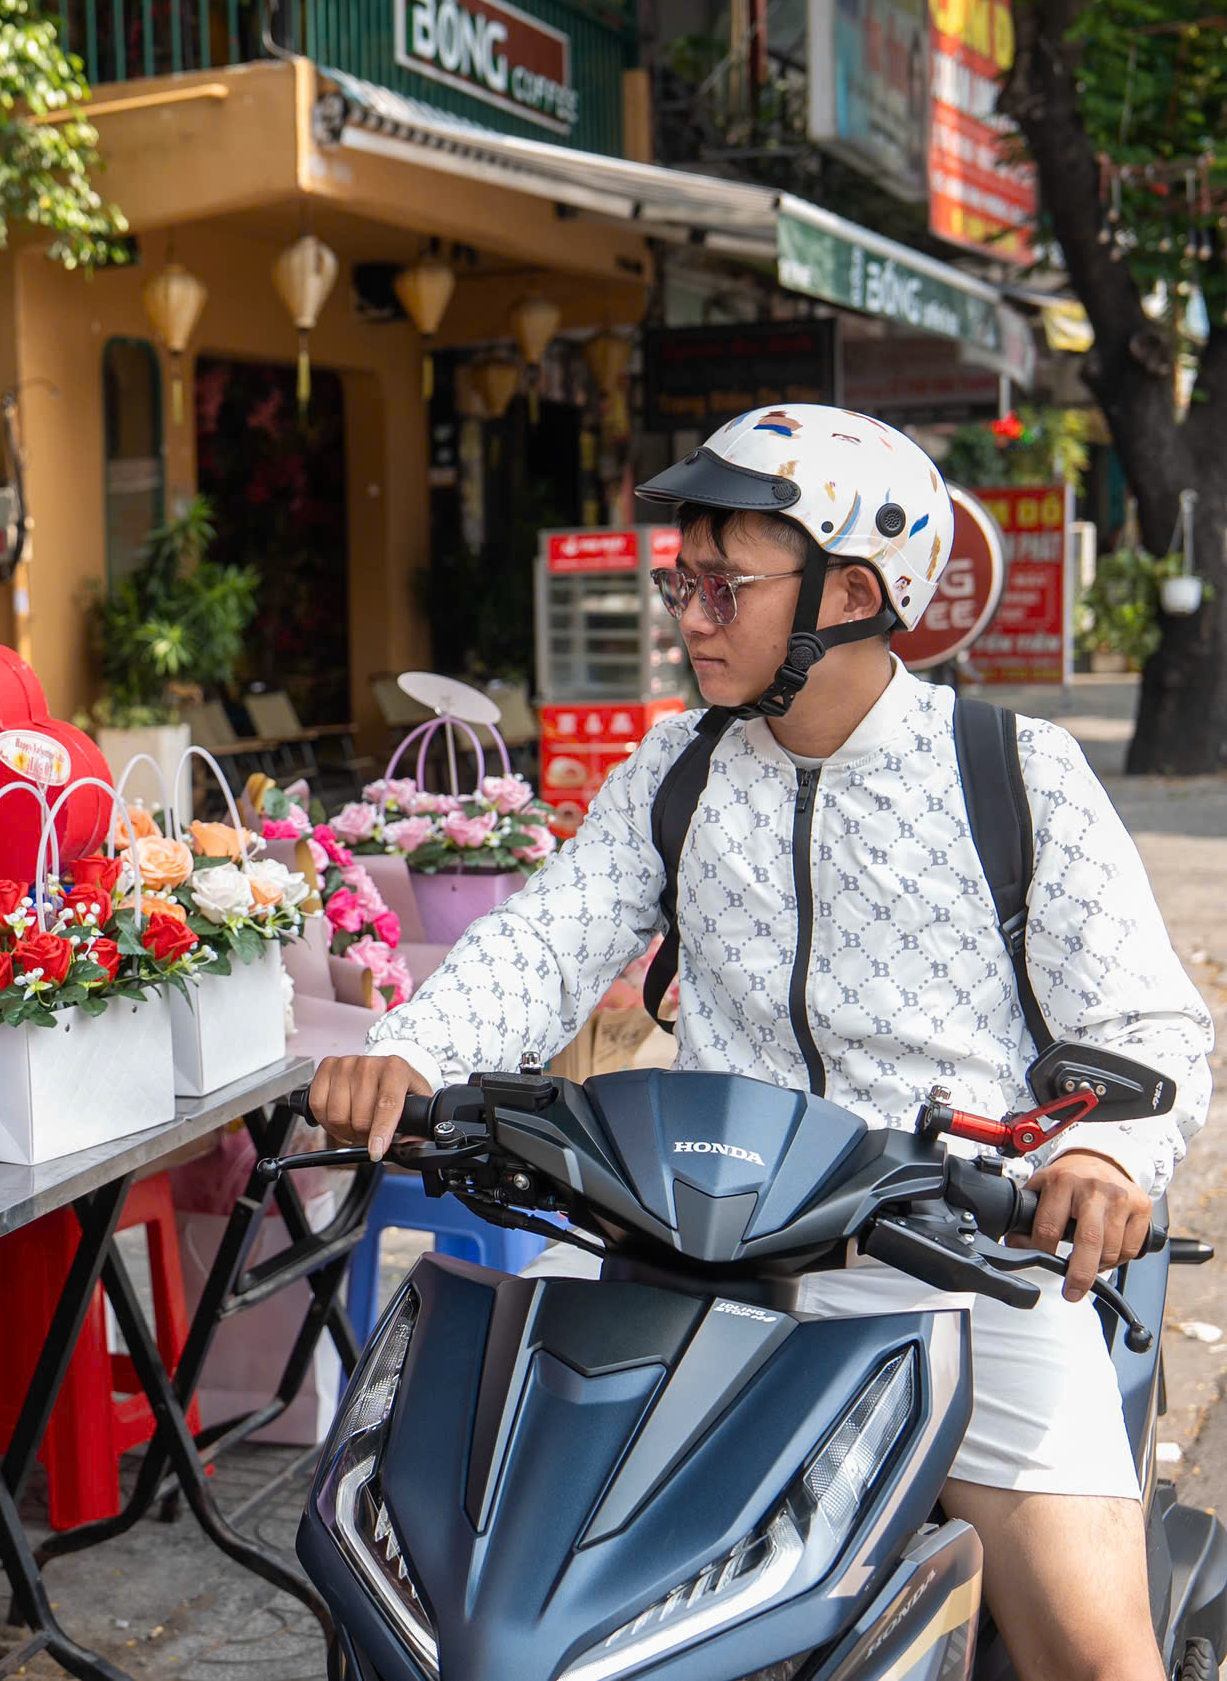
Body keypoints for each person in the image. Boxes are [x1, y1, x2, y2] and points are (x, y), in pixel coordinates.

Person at [311, 405, 1212, 1681]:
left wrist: (1107, 1160)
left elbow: (1146, 1020)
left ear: (851, 590)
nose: (689, 614)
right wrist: (410, 1049)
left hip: (954, 1259)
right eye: (680, 578)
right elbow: (552, 935)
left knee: (1096, 1655)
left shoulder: (1013, 771)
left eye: (723, 584)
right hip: (691, 1253)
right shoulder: (676, 765)